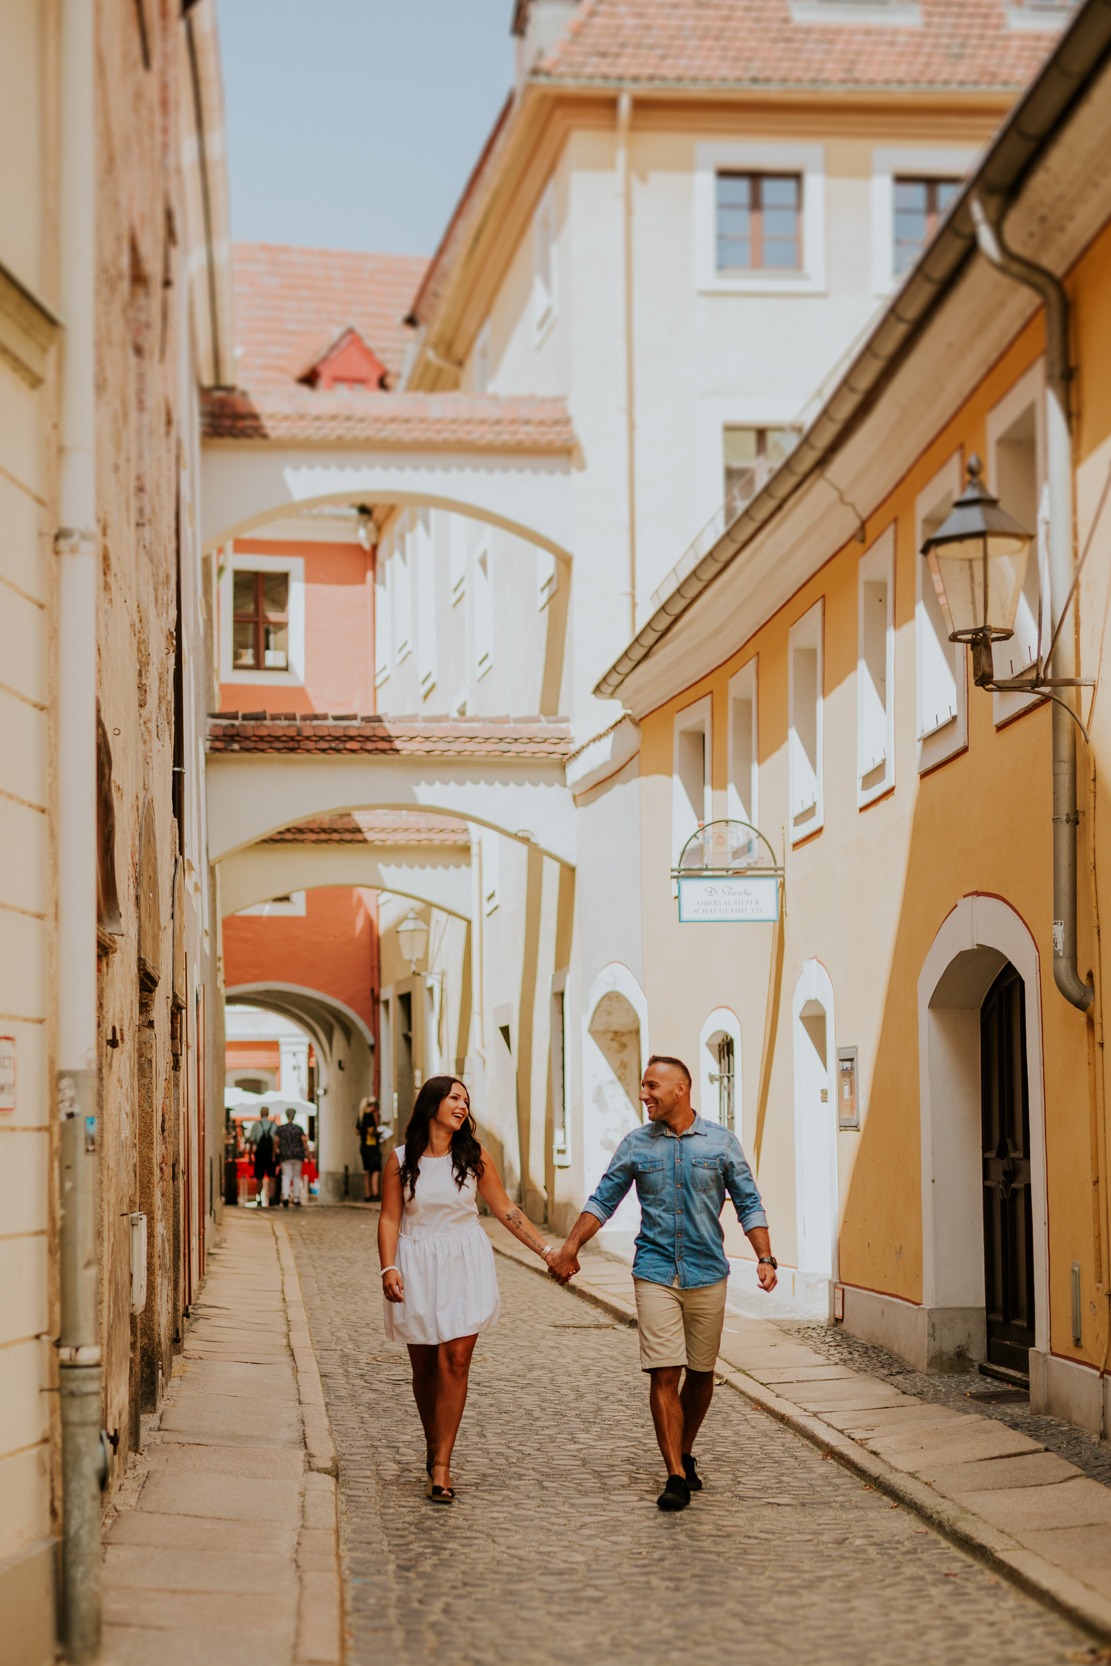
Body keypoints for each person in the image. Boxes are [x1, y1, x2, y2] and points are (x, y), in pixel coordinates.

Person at [547, 1054, 777, 1513]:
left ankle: (685, 1449)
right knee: (663, 1372)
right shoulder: (636, 1145)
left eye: (652, 1086)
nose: (643, 1094)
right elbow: (603, 1199)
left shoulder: (721, 1143)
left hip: (708, 1271)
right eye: (642, 1086)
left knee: (702, 1373)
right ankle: (674, 1473)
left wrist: (764, 1257)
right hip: (654, 1271)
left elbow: (748, 1202)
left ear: (680, 1089)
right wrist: (570, 1248)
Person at [378, 1075, 562, 1504]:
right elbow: (389, 1218)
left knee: (455, 1360)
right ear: (432, 1105)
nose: (462, 1106)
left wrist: (547, 1252)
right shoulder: (401, 1160)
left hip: (464, 1261)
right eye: (454, 1098)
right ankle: (433, 1445)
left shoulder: (474, 1155)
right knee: (424, 1367)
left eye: (466, 1100)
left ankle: (442, 1465)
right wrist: (388, 1267)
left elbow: (506, 1209)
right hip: (416, 1261)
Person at [274, 1107, 309, 1208]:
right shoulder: (298, 1128)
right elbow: (303, 1141)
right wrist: (306, 1152)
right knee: (297, 1176)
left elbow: (276, 1141)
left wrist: (274, 1152)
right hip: (297, 1155)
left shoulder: (281, 1129)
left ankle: (285, 1196)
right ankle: (297, 1197)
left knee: (286, 1175)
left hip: (285, 1155)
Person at [247, 1108, 278, 1209]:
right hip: (270, 1153)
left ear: (260, 1114)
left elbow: (251, 1141)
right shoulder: (274, 1125)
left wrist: (250, 1156)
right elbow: (276, 1142)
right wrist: (274, 1155)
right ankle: (271, 1197)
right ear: (268, 1114)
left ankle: (259, 1197)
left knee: (259, 1177)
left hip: (260, 1154)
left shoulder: (256, 1125)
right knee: (272, 1176)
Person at [357, 1095, 383, 1202]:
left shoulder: (360, 1116)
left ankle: (367, 1194)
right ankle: (375, 1193)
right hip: (371, 1147)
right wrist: (378, 1133)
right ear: (373, 1106)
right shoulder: (369, 1116)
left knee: (367, 1171)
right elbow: (371, 1131)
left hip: (363, 1146)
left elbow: (356, 1131)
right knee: (376, 1170)